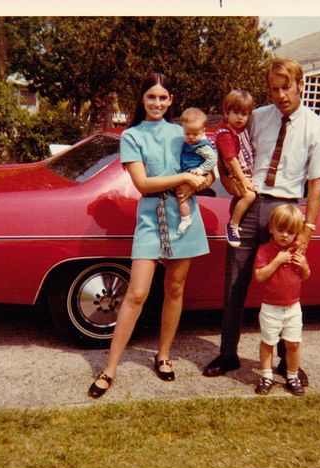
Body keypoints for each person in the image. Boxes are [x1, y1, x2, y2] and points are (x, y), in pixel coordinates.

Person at [203, 58, 320, 380]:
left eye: (286, 87)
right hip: (249, 203)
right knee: (235, 282)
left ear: (300, 85)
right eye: (274, 89)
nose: (280, 95)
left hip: (286, 211)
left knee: (283, 287)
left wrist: (308, 229)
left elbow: (316, 184)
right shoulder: (257, 117)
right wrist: (227, 178)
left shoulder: (317, 128)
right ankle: (228, 354)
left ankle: (283, 363)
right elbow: (227, 145)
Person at [88, 72, 213, 398]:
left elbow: (209, 167)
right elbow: (143, 184)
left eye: (163, 97)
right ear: (142, 100)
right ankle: (110, 368)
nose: (157, 103)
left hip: (184, 216)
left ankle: (163, 356)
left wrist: (200, 179)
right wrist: (183, 176)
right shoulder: (132, 136)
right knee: (137, 293)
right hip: (150, 219)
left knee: (175, 288)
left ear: (171, 100)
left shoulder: (182, 130)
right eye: (151, 97)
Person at [253, 204, 311, 396]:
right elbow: (260, 276)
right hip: (271, 307)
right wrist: (277, 260)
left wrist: (303, 267)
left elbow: (306, 276)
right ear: (271, 228)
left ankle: (292, 375)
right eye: (280, 230)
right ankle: (267, 376)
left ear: (297, 234)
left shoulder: (298, 251)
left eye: (291, 232)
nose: (285, 235)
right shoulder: (265, 250)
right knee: (268, 342)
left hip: (293, 306)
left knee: (293, 343)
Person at [214, 89, 256, 247]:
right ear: (226, 112)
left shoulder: (240, 131)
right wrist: (243, 180)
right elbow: (231, 161)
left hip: (246, 173)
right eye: (236, 112)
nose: (240, 117)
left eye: (244, 114)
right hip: (236, 176)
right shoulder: (225, 135)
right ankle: (233, 225)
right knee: (249, 196)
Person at [178, 107, 217, 235]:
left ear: (203, 131)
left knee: (181, 197)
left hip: (195, 174)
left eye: (195, 134)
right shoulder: (186, 143)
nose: (191, 137)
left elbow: (212, 159)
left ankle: (185, 218)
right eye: (187, 133)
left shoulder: (202, 147)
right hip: (187, 173)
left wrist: (201, 170)